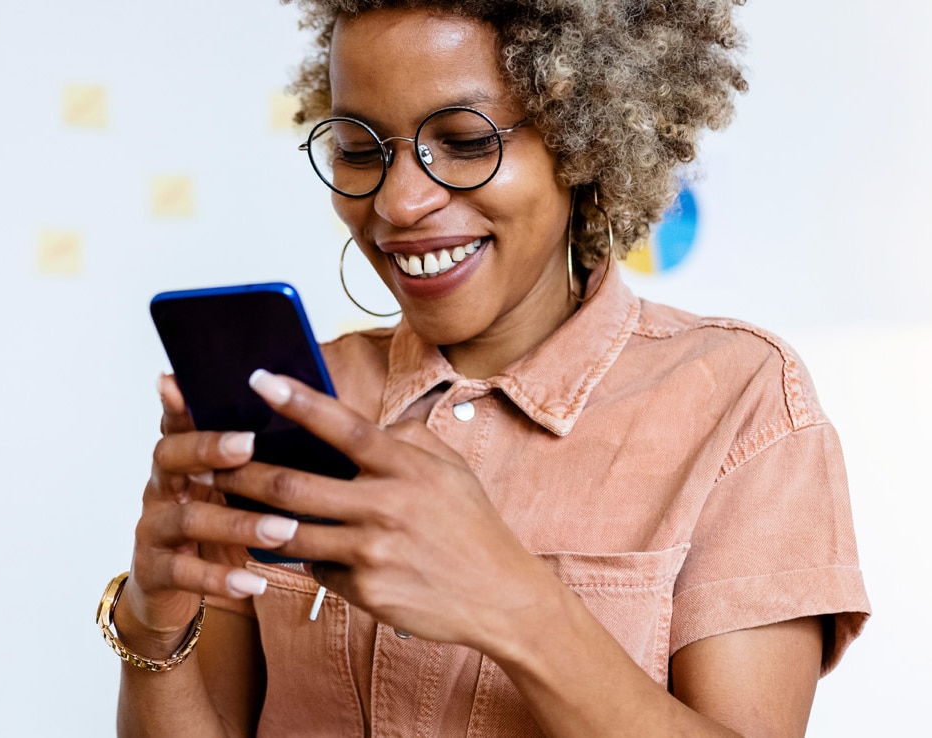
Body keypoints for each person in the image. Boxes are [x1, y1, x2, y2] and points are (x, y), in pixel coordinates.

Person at [99, 1, 870, 735]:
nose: (399, 203)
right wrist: (152, 620)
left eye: (466, 142)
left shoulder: (735, 400)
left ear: (584, 139)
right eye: (361, 150)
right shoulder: (301, 401)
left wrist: (512, 602)